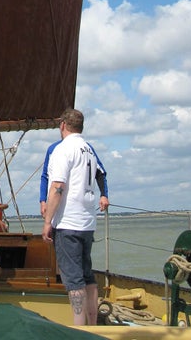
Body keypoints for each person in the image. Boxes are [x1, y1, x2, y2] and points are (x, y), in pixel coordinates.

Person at [41, 108, 108, 326]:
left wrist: (47, 221)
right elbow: (101, 174)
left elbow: (58, 187)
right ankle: (94, 326)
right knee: (87, 276)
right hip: (87, 223)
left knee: (74, 281)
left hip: (68, 223)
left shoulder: (63, 150)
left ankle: (79, 330)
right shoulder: (88, 149)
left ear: (62, 125)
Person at [40, 139, 109, 218]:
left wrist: (104, 195)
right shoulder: (53, 148)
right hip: (59, 208)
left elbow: (100, 173)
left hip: (82, 208)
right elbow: (45, 176)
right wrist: (43, 201)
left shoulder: (87, 147)